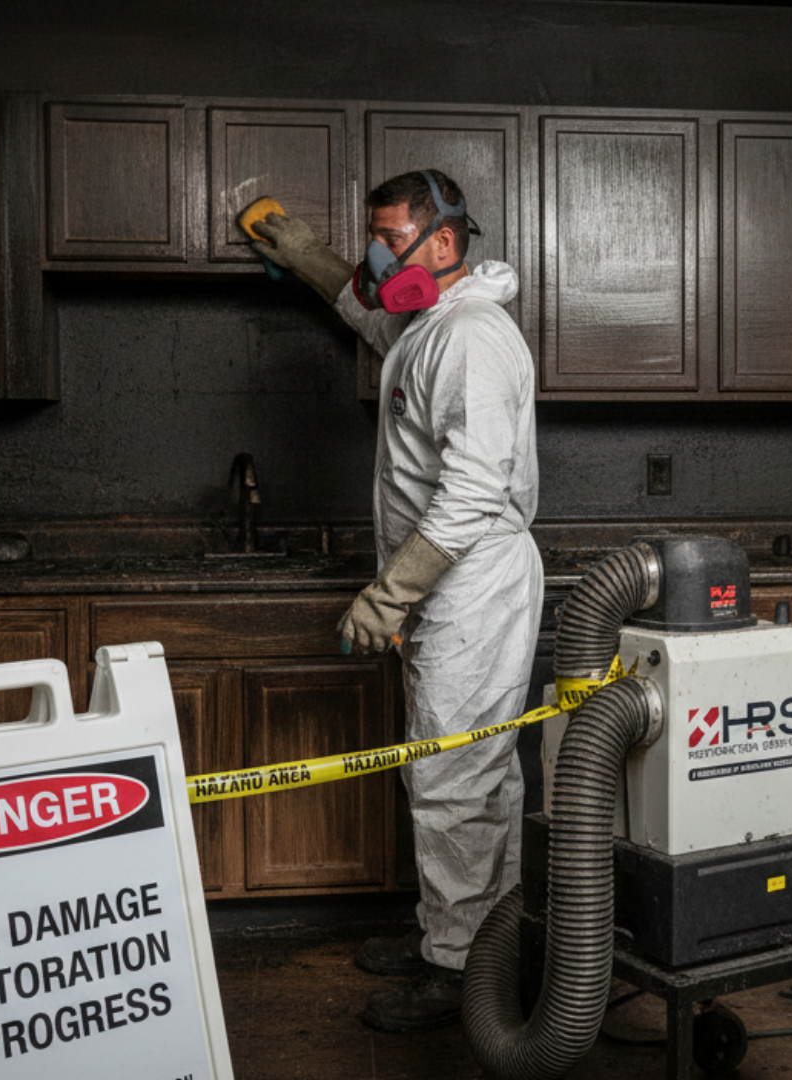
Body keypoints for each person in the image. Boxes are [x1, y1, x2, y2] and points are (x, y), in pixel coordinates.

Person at [252, 169, 542, 1033]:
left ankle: (464, 973)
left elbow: (472, 494)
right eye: (372, 240)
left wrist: (389, 596)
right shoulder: (425, 326)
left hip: (474, 582)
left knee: (457, 780)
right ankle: (451, 938)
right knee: (450, 772)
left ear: (443, 245)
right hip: (450, 590)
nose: (378, 258)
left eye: (390, 239)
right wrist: (308, 257)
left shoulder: (473, 338)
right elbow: (364, 313)